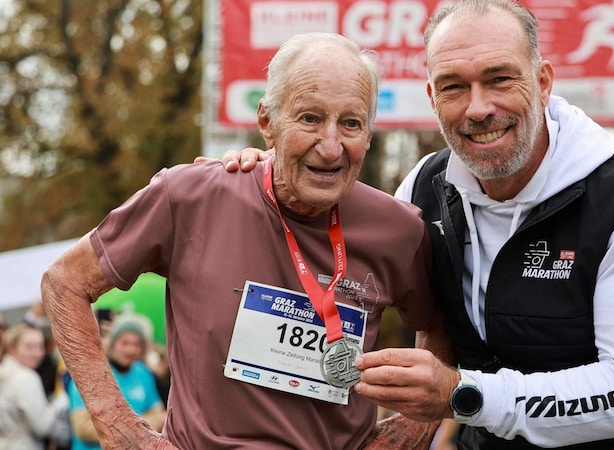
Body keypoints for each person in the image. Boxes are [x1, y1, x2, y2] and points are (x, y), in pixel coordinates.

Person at [223, 1, 614, 448]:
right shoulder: (420, 190)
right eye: (455, 86)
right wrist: (257, 178)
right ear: (433, 97)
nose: (479, 109)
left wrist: (465, 394)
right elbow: (319, 243)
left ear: (542, 83)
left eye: (500, 79)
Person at [41, 32, 442, 449]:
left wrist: (414, 426)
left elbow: (442, 327)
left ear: (369, 135)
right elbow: (65, 282)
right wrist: (118, 427)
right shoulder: (190, 196)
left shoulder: (399, 230)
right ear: (268, 122)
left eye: (351, 123)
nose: (330, 146)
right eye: (309, 118)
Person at [68, 312, 165, 450]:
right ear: (112, 344)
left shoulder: (143, 372)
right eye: (124, 343)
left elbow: (159, 415)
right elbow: (82, 428)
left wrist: (117, 427)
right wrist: (138, 427)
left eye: (136, 344)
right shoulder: (90, 373)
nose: (131, 350)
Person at [0, 323, 62, 450]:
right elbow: (43, 427)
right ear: (12, 349)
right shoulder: (26, 378)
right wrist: (58, 403)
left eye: (40, 346)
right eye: (29, 347)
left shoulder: (4, 371)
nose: (37, 353)